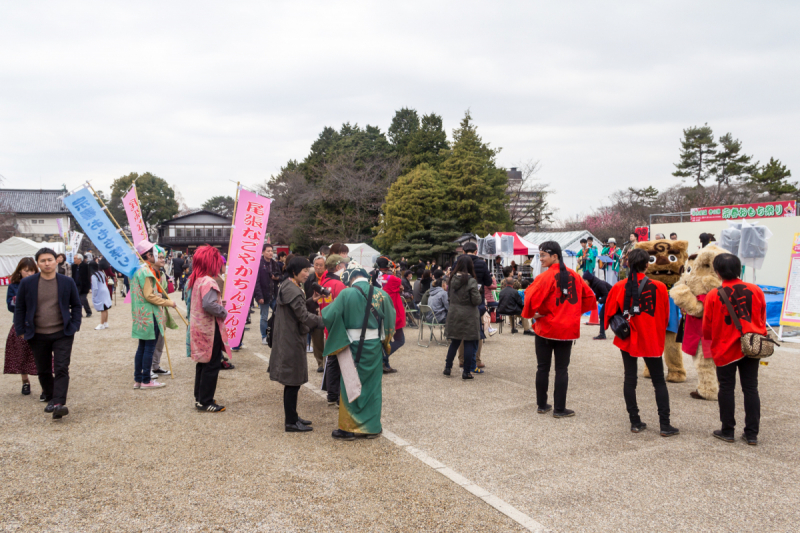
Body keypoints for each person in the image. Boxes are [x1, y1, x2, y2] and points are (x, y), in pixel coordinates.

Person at [604, 248, 679, 436]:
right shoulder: (660, 287)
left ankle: (635, 422)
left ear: (627, 264)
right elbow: (665, 317)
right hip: (651, 337)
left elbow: (608, 314)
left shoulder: (619, 286)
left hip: (628, 337)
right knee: (658, 381)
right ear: (647, 264)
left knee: (630, 378)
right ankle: (664, 424)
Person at [522, 241, 596, 418]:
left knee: (542, 368)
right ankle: (559, 409)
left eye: (543, 255)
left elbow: (529, 298)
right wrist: (573, 312)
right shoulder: (575, 276)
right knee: (562, 370)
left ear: (555, 256)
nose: (540, 259)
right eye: (539, 255)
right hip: (566, 330)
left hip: (545, 328)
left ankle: (542, 405)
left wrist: (536, 313)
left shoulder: (544, 277)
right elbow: (590, 297)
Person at [323, 264, 396, 440]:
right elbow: (391, 320)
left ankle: (348, 429)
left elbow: (328, 315)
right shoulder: (382, 294)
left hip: (351, 345)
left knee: (350, 383)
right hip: (374, 346)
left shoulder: (346, 294)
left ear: (351, 278)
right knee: (372, 387)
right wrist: (385, 342)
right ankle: (372, 428)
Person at [702, 253, 767, 445]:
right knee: (751, 388)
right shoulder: (756, 290)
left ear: (718, 271)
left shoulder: (714, 294)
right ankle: (752, 433)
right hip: (751, 345)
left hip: (725, 347)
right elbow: (762, 317)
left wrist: (708, 343)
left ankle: (727, 430)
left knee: (727, 388)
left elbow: (707, 326)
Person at [13, 248, 82, 419]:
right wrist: (20, 329)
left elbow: (77, 305)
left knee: (61, 367)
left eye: (50, 259)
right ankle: (51, 397)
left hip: (62, 333)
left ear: (56, 261)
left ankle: (59, 402)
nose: (47, 263)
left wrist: (74, 325)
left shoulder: (66, 282)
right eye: (43, 260)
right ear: (38, 263)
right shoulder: (28, 283)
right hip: (37, 334)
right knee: (43, 370)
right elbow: (20, 307)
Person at [269, 257, 325, 433]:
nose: (307, 274)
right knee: (292, 382)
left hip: (290, 337)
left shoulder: (288, 285)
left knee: (293, 382)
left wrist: (311, 301)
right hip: (290, 340)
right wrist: (327, 321)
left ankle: (293, 416)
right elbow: (303, 316)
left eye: (308, 271)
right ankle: (291, 422)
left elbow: (297, 309)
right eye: (304, 271)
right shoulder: (292, 289)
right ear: (294, 271)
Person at [187, 246, 230, 412]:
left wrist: (218, 304)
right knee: (212, 364)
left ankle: (200, 397)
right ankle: (206, 401)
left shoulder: (197, 279)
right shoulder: (209, 281)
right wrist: (222, 310)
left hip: (199, 328)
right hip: (210, 330)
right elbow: (208, 304)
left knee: (202, 363)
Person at [130, 241, 178, 390]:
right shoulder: (146, 271)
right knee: (148, 348)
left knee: (142, 348)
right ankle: (146, 380)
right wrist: (168, 303)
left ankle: (138, 379)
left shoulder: (136, 270)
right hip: (150, 315)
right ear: (149, 255)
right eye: (155, 254)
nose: (157, 257)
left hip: (140, 315)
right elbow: (149, 296)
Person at [442, 255, 482, 379]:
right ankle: (466, 371)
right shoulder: (471, 281)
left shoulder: (452, 279)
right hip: (469, 314)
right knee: (469, 341)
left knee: (455, 341)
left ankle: (448, 368)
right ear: (470, 266)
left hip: (454, 313)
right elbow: (476, 300)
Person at [5, 258, 39, 398]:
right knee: (21, 354)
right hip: (22, 324)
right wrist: (20, 300)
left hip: (38, 324)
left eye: (32, 270)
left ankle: (45, 383)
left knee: (41, 355)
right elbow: (10, 306)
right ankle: (25, 381)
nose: (29, 273)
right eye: (26, 270)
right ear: (20, 271)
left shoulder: (40, 283)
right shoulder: (14, 285)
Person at [459, 242, 494, 371]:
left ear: (463, 251)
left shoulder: (457, 262)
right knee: (477, 330)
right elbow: (489, 282)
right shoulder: (481, 263)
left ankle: (462, 359)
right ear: (476, 251)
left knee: (462, 330)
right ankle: (476, 359)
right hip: (477, 300)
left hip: (461, 300)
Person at [372, 257, 406, 374]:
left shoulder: (375, 277)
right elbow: (399, 282)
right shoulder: (392, 278)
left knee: (382, 339)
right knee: (400, 340)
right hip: (392, 312)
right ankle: (381, 358)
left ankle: (385, 364)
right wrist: (395, 268)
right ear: (388, 266)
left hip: (379, 310)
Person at [149, 247, 175, 378]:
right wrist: (157, 295)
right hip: (150, 311)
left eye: (163, 257)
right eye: (159, 257)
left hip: (161, 310)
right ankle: (148, 368)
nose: (162, 259)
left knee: (160, 339)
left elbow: (165, 292)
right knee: (150, 340)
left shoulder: (163, 274)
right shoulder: (147, 273)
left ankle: (156, 365)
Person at [253, 244, 283, 345]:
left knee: (278, 314)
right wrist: (259, 296)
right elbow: (256, 282)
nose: (270, 253)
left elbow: (280, 276)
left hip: (274, 294)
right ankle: (264, 336)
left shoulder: (274, 263)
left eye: (272, 251)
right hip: (264, 295)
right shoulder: (259, 264)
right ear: (263, 252)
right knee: (264, 316)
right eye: (268, 251)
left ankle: (276, 334)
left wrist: (276, 278)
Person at [304, 255, 327, 371]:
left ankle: (327, 361)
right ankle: (320, 363)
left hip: (326, 310)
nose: (318, 267)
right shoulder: (309, 279)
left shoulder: (328, 278)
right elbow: (307, 295)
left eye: (320, 265)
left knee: (326, 337)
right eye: (316, 265)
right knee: (316, 338)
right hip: (314, 310)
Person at [583, 271, 612, 340]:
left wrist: (598, 301)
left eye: (584, 280)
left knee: (603, 315)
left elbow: (607, 295)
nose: (584, 282)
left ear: (588, 280)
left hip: (613, 298)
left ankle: (602, 334)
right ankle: (602, 334)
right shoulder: (593, 284)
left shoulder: (599, 284)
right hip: (610, 299)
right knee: (603, 315)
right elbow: (598, 294)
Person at [89, 261, 112, 330]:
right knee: (106, 307)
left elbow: (95, 288)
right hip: (105, 289)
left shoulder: (93, 276)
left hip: (100, 291)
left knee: (103, 308)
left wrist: (93, 296)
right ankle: (105, 323)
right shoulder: (101, 273)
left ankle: (101, 324)